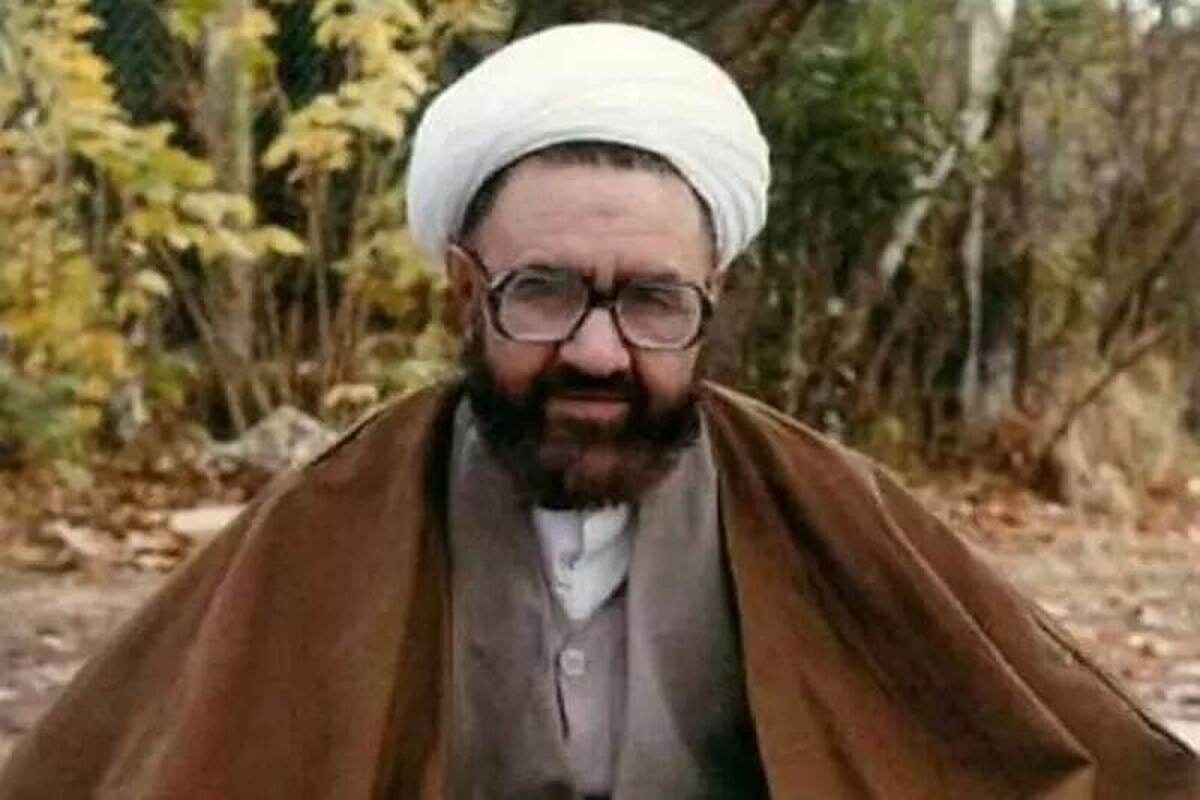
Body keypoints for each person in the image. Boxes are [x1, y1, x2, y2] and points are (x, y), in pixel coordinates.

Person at [1, 22, 1197, 800]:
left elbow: (1054, 759)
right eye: (545, 291)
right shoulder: (329, 517)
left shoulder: (827, 507)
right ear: (464, 291)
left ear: (711, 301)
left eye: (651, 301)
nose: (596, 350)